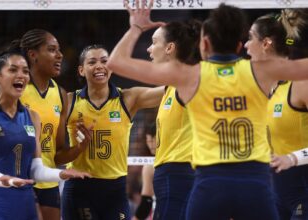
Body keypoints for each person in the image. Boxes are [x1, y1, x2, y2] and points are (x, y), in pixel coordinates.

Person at [107, 1, 308, 219]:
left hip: (210, 184)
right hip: (254, 183)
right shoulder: (263, 72)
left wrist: (136, 26)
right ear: (239, 46)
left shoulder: (188, 76)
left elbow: (116, 62)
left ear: (204, 44)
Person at [0, 48, 89, 220]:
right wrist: (6, 180)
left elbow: (36, 170)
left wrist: (61, 174)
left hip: (25, 201)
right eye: (13, 70)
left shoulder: (32, 117)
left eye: (25, 71)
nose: (21, 75)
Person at [61, 44, 164, 220]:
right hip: (80, 188)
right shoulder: (69, 101)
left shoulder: (128, 98)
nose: (99, 66)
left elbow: (169, 90)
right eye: (92, 62)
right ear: (81, 70)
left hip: (115, 190)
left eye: (104, 61)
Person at [14, 29, 92, 220]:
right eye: (51, 50)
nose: (60, 55)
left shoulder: (61, 95)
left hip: (47, 183)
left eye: (59, 50)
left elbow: (57, 155)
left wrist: (80, 148)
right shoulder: (17, 89)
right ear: (33, 55)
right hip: (20, 179)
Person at [245, 9, 308, 219]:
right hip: (275, 193)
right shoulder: (264, 90)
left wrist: (293, 158)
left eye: (250, 38)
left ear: (266, 44)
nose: (245, 45)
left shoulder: (300, 84)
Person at [142, 20, 201, 220]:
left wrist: (135, 28)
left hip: (181, 172)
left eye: (154, 42)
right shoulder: (171, 86)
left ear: (169, 48)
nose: (149, 49)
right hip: (171, 174)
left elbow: (118, 62)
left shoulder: (188, 82)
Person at [133, 122, 156, 220]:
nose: (150, 145)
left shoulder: (150, 167)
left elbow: (147, 202)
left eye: (152, 141)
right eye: (148, 141)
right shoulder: (150, 165)